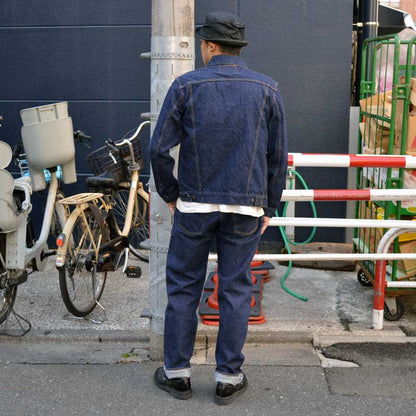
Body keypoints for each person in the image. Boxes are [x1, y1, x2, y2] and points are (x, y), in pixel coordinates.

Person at [149, 11, 288, 405]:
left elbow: (158, 149)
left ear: (208, 45)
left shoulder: (186, 85)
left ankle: (177, 373)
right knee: (235, 289)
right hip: (246, 208)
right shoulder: (267, 89)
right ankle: (228, 376)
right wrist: (269, 207)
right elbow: (278, 156)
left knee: (184, 287)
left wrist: (172, 194)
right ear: (237, 47)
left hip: (193, 204)